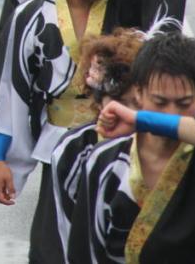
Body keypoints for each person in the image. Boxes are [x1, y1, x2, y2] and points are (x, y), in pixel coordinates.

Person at [0, 0, 192, 264]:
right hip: (59, 148)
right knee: (56, 249)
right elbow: (9, 90)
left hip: (126, 142)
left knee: (127, 244)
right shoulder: (30, 17)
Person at [68, 31, 195, 263]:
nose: (171, 113)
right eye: (160, 102)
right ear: (138, 92)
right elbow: (84, 251)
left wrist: (140, 120)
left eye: (183, 103)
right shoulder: (105, 163)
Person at [49, 27, 145, 260]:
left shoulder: (173, 144)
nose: (129, 112)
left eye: (137, 103)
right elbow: (70, 231)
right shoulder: (73, 151)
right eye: (120, 102)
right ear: (100, 102)